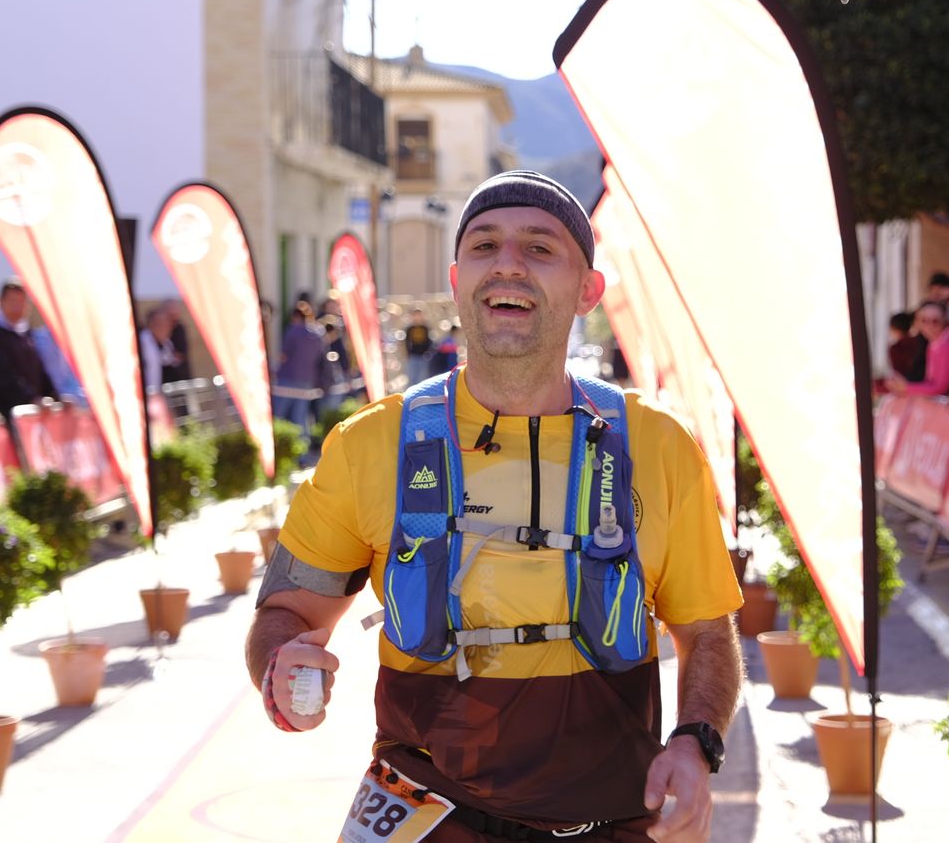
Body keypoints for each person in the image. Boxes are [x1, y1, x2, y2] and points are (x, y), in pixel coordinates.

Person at [246, 169, 742, 842]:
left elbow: (708, 631)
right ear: (457, 280)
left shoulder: (657, 445)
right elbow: (284, 613)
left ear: (588, 291)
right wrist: (280, 667)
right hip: (426, 809)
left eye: (540, 248)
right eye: (484, 246)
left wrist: (694, 742)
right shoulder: (369, 445)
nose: (507, 264)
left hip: (612, 815)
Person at [0, 279, 54, 415]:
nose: (18, 307)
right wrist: (30, 398)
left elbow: (38, 368)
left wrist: (53, 395)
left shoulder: (24, 332)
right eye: (13, 301)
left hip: (24, 413)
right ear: (1, 301)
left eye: (22, 302)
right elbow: (1, 374)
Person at [272, 301, 326, 442]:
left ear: (295, 316)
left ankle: (276, 452)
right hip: (307, 381)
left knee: (277, 417)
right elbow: (320, 357)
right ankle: (301, 454)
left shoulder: (294, 331)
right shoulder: (318, 334)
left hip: (287, 379)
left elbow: (284, 355)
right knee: (300, 419)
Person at [886, 301, 949, 396]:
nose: (929, 326)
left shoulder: (948, 344)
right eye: (924, 321)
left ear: (945, 321)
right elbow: (930, 382)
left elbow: (941, 388)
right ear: (917, 323)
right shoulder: (934, 343)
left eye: (935, 321)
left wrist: (907, 388)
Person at [138, 306, 180, 392]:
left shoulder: (167, 344)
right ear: (150, 325)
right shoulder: (141, 343)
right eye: (159, 324)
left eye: (167, 324)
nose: (165, 328)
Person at [403, 307, 434, 386]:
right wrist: (408, 354)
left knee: (423, 377)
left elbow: (429, 341)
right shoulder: (410, 329)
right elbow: (406, 342)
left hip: (424, 356)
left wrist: (429, 353)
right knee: (412, 378)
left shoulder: (425, 328)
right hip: (413, 356)